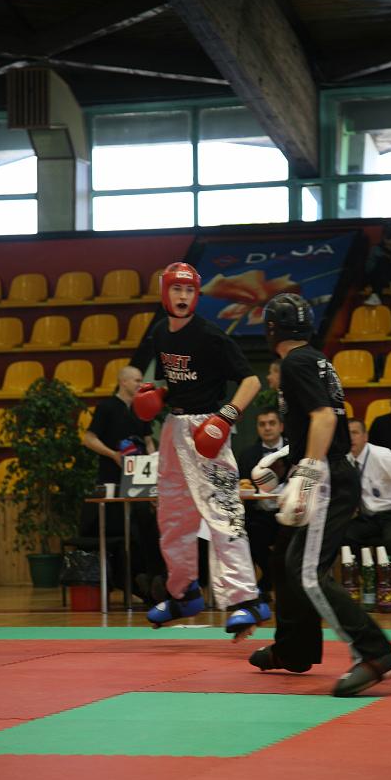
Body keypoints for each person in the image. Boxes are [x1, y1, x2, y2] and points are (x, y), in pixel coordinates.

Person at [249, 292, 391, 697]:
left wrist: (309, 470)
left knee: (306, 572)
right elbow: (314, 422)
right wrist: (287, 461)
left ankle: (376, 654)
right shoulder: (314, 358)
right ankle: (294, 649)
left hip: (328, 475)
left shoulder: (295, 363)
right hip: (330, 469)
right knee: (284, 558)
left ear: (272, 329)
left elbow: (324, 417)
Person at [133, 261, 270, 639]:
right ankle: (183, 593)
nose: (182, 296)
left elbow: (251, 381)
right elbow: (178, 384)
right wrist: (159, 396)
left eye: (189, 290)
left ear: (196, 295)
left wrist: (226, 417)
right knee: (173, 518)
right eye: (176, 289)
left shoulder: (210, 336)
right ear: (165, 293)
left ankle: (247, 599)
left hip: (208, 428)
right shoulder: (160, 334)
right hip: (174, 430)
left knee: (223, 514)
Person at [82, 365, 165, 602]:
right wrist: (113, 455)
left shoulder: (142, 408)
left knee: (148, 527)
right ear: (123, 382)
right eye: (136, 380)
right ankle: (132, 581)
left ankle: (154, 579)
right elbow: (88, 438)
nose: (140, 384)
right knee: (126, 533)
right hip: (113, 480)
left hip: (140, 480)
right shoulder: (107, 407)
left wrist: (154, 466)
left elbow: (148, 441)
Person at [344, 419, 391, 571]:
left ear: (365, 436)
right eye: (347, 434)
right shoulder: (346, 459)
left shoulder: (381, 456)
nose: (351, 438)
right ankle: (368, 573)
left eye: (355, 433)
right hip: (370, 517)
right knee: (342, 535)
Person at [237, 407, 289, 601]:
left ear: (281, 426)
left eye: (271, 423)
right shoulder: (247, 455)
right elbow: (242, 486)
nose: (267, 428)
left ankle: (268, 581)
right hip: (260, 515)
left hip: (290, 514)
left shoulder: (296, 451)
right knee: (246, 533)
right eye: (262, 424)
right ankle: (273, 577)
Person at [364, 223, 391, 306]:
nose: (390, 240)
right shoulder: (375, 249)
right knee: (382, 260)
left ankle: (376, 296)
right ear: (383, 237)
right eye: (388, 237)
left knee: (384, 260)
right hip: (378, 278)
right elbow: (368, 268)